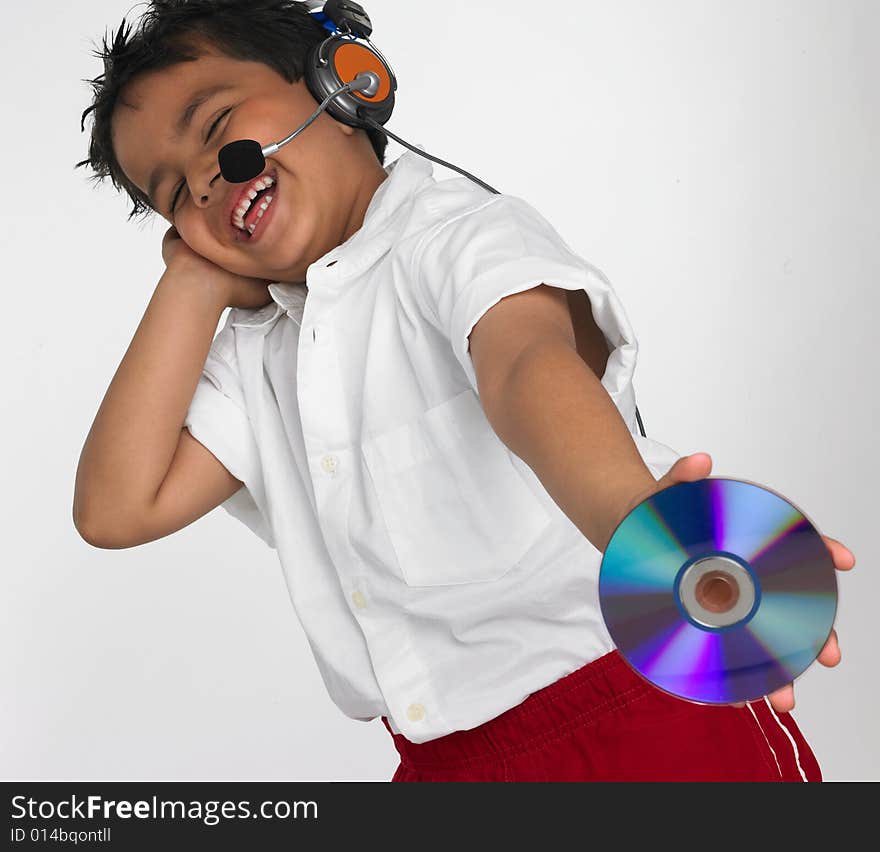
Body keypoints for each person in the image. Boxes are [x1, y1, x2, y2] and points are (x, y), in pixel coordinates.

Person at [73, 0, 855, 782]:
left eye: (216, 127)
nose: (205, 184)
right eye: (172, 195)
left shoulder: (458, 236)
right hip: (448, 764)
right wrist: (190, 278)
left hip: (635, 705)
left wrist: (646, 533)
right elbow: (116, 509)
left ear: (342, 84)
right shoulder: (255, 354)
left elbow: (525, 370)